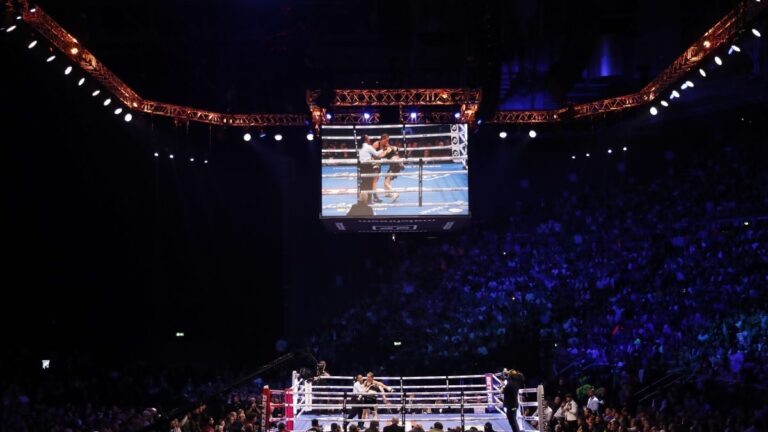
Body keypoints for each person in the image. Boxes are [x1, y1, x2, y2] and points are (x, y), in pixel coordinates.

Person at [358, 135, 383, 203]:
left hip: (361, 165)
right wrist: (383, 149)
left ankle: (361, 199)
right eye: (368, 137)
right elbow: (377, 154)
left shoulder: (359, 146)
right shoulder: (368, 147)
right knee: (369, 183)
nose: (370, 138)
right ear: (366, 140)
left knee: (363, 183)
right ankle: (368, 200)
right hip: (368, 165)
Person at [379, 137, 402, 202]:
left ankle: (395, 193)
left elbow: (381, 156)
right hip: (395, 165)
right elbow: (397, 153)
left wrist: (374, 154)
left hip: (394, 165)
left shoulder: (388, 149)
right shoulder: (393, 148)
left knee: (386, 182)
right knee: (386, 179)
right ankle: (388, 193)